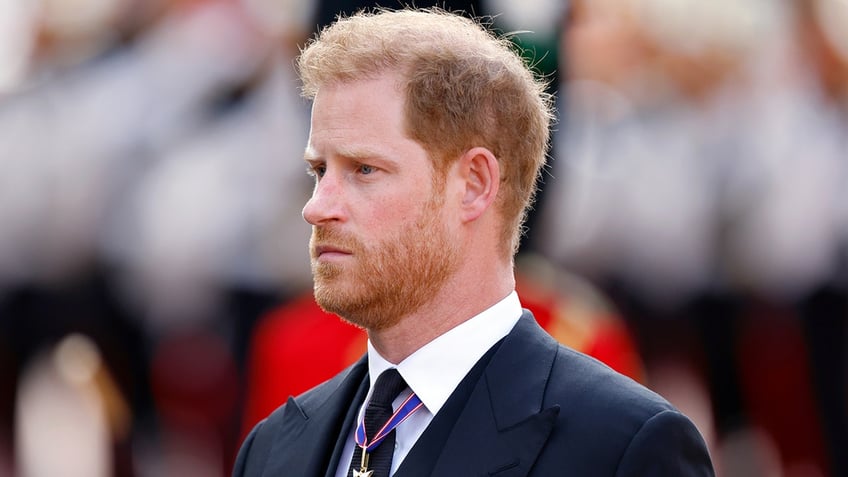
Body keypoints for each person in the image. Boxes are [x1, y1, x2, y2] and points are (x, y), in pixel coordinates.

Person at [232, 7, 714, 477]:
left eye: (364, 169)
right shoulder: (273, 448)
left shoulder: (622, 446)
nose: (317, 206)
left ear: (475, 184)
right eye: (319, 170)